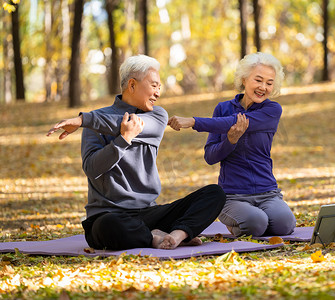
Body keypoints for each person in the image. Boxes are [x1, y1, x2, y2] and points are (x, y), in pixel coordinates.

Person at [47, 55, 226, 250]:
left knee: (214, 194)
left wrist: (83, 120)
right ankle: (153, 238)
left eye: (160, 87)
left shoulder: (157, 116)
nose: (158, 93)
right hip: (110, 216)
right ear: (132, 85)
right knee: (109, 227)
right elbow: (92, 169)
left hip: (150, 214)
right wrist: (122, 141)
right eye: (154, 85)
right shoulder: (95, 121)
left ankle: (178, 234)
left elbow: (129, 123)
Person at [168, 52, 296, 237]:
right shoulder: (222, 109)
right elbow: (210, 156)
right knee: (256, 224)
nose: (263, 87)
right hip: (233, 195)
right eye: (258, 80)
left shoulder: (271, 110)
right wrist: (230, 141)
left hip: (267, 192)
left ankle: (252, 220)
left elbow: (232, 121)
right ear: (244, 80)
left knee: (285, 225)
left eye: (269, 83)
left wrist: (194, 122)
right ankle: (239, 222)